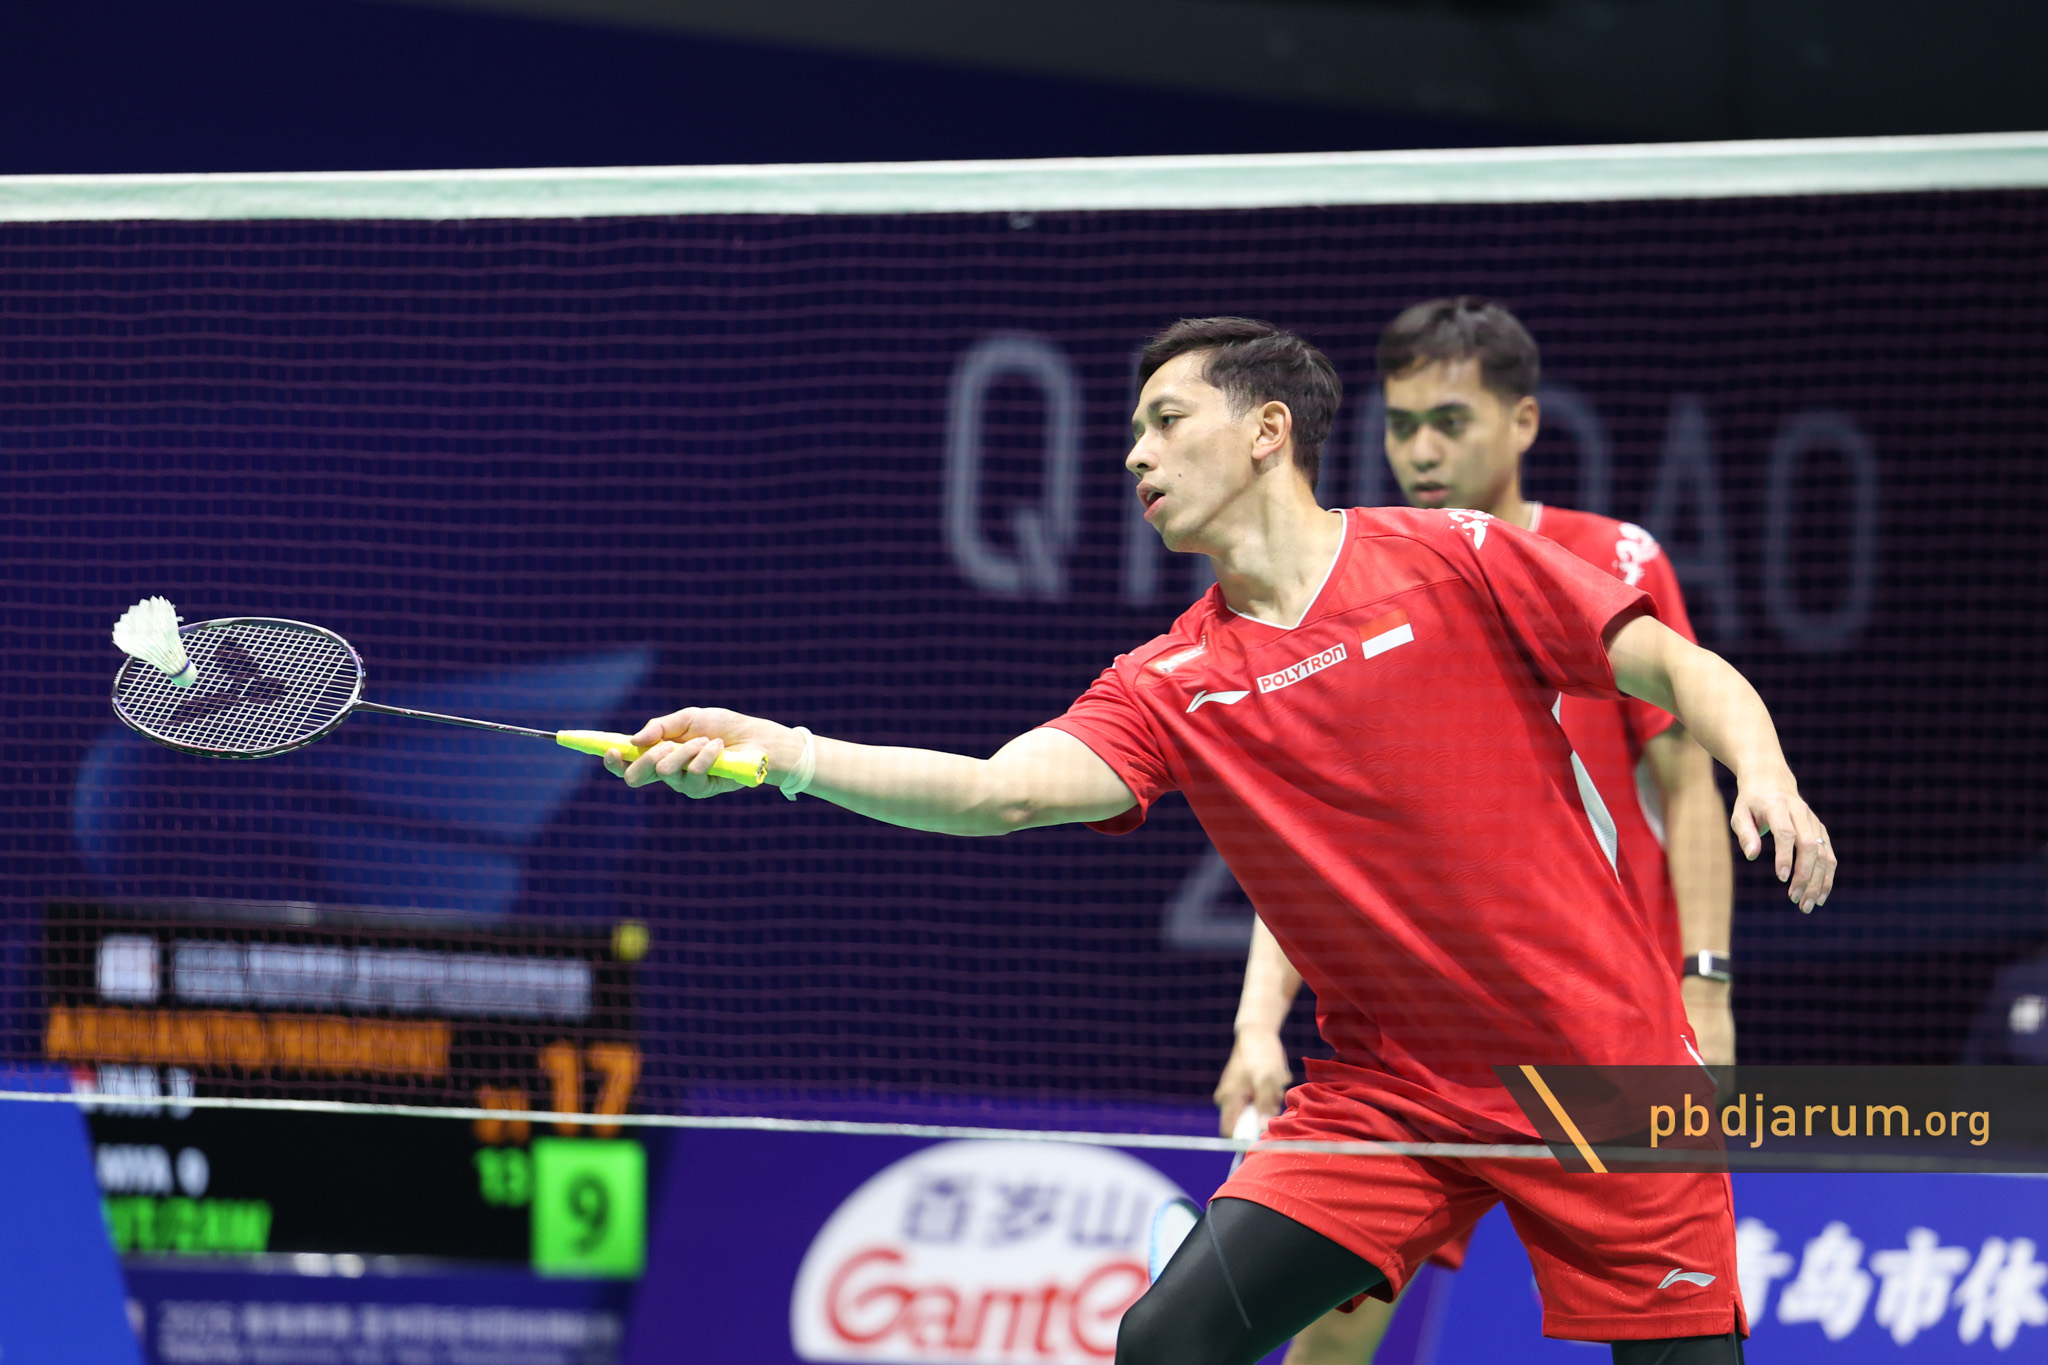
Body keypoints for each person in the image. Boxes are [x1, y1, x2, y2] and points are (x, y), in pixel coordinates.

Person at [605, 316, 1834, 1365]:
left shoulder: (1451, 559)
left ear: (1265, 432)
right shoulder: (1168, 680)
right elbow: (996, 791)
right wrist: (788, 753)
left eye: (1165, 420)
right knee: (1166, 1343)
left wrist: (1765, 770)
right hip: (1389, 1099)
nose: (1134, 454)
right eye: (1131, 432)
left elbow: (1676, 668)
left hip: (1601, 1071)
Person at [1212, 297, 1738, 1365]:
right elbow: (1325, 846)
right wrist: (1257, 1021)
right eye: (1403, 425)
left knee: (1668, 1335)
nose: (1420, 452)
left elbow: (1689, 790)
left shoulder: (1612, 557)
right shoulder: (1359, 579)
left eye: (1449, 422)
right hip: (1427, 1056)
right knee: (1334, 1336)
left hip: (1601, 1031)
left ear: (1523, 422)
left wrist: (1707, 989)